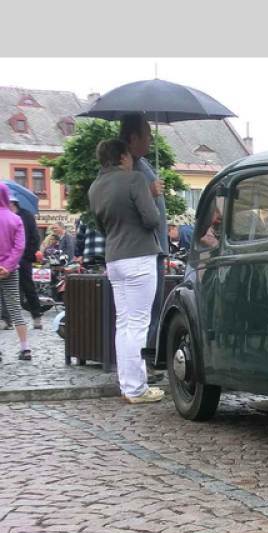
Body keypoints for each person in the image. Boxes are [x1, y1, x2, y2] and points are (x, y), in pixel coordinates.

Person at [88, 139, 164, 404]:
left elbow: (101, 226)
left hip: (114, 259)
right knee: (139, 324)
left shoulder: (95, 187)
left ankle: (128, 384)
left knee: (123, 324)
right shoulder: (135, 179)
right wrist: (153, 196)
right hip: (139, 256)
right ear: (122, 157)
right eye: (130, 156)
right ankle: (137, 389)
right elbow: (152, 219)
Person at [119, 114, 167, 363]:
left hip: (155, 247)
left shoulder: (143, 163)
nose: (150, 140)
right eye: (147, 135)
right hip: (142, 250)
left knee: (152, 310)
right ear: (133, 137)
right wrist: (149, 192)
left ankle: (147, 360)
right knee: (140, 316)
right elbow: (121, 205)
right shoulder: (124, 166)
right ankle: (140, 364)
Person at [0, 183, 32, 361]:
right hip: (10, 271)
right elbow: (19, 247)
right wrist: (7, 266)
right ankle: (25, 349)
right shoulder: (15, 219)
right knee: (15, 309)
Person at [7, 194, 44, 328]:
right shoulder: (4, 215)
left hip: (23, 257)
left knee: (28, 287)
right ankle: (6, 319)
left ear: (12, 202)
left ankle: (36, 316)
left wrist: (27, 255)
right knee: (6, 289)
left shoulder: (26, 215)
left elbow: (35, 237)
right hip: (7, 258)